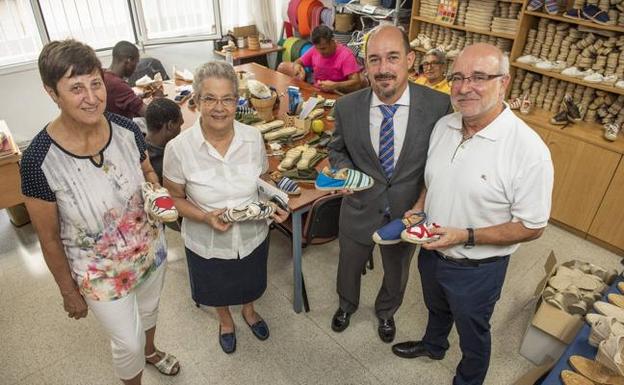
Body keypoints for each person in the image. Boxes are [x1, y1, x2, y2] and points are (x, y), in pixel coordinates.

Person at [391, 43, 554, 385]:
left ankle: (468, 379)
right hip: (433, 250)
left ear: (503, 82)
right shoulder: (445, 126)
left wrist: (465, 235)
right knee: (436, 308)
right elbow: (433, 179)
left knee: (473, 330)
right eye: (458, 77)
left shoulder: (528, 151)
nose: (465, 88)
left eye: (479, 77)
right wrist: (421, 206)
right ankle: (434, 345)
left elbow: (532, 226)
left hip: (477, 269)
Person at [21, 39, 179, 385]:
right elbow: (47, 238)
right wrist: (67, 290)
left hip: (148, 250)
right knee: (126, 341)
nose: (91, 97)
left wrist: (156, 191)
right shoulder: (38, 160)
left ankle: (151, 352)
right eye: (76, 88)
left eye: (95, 84)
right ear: (52, 93)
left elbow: (146, 172)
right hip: (99, 272)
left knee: (149, 312)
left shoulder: (126, 129)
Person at [327, 25, 452, 343]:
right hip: (358, 207)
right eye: (374, 60)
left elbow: (442, 162)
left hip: (407, 212)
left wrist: (424, 204)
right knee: (348, 265)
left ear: (410, 59)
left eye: (392, 57)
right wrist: (343, 172)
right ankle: (346, 305)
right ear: (365, 66)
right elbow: (337, 151)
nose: (383, 69)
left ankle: (386, 313)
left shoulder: (439, 106)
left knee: (397, 273)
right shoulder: (346, 107)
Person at [163, 61, 289, 354]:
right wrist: (204, 217)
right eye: (210, 98)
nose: (219, 108)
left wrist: (274, 202)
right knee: (216, 284)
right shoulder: (179, 149)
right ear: (196, 101)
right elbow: (174, 199)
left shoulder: (253, 138)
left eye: (227, 99)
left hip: (251, 235)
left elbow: (261, 179)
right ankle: (225, 320)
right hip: (207, 239)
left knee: (250, 278)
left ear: (237, 101)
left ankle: (249, 310)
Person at [291, 25, 363, 93]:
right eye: (317, 48)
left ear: (332, 42)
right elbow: (298, 61)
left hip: (338, 93)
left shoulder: (346, 55)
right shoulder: (315, 49)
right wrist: (297, 66)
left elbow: (356, 82)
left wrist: (336, 85)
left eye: (323, 48)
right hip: (317, 91)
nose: (320, 52)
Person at [103, 41, 148, 118]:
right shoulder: (117, 84)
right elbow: (148, 114)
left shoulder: (104, 74)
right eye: (136, 62)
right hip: (125, 128)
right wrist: (158, 100)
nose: (136, 68)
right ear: (128, 60)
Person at [145, 98, 183, 184]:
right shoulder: (168, 164)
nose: (181, 130)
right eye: (179, 125)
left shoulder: (139, 149)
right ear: (170, 125)